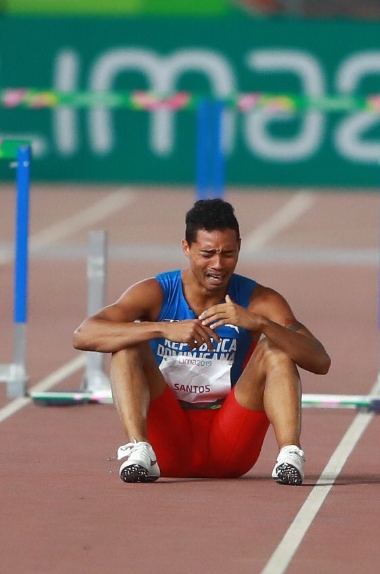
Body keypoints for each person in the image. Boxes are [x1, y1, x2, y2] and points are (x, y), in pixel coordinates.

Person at [72, 198, 330, 486]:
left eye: (228, 254)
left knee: (275, 347)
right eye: (207, 253)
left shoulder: (258, 299)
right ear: (187, 248)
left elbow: (320, 361)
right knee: (127, 342)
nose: (218, 265)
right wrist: (161, 330)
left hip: (230, 442)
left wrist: (260, 323)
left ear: (240, 247)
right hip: (166, 445)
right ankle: (137, 447)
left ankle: (289, 455)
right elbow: (83, 334)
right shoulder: (157, 292)